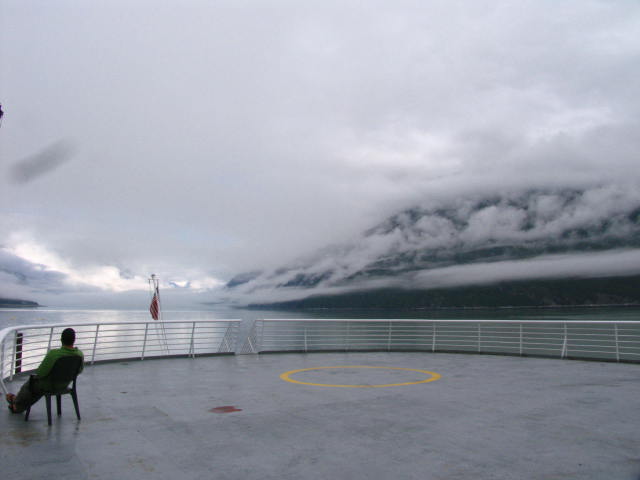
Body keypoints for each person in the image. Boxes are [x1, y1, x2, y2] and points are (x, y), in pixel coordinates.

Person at [5, 327, 84, 414]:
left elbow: (40, 373)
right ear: (74, 340)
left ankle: (16, 403)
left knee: (31, 385)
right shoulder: (79, 355)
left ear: (61, 340)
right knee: (38, 387)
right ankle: (17, 404)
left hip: (50, 385)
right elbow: (79, 371)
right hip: (64, 384)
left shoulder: (54, 354)